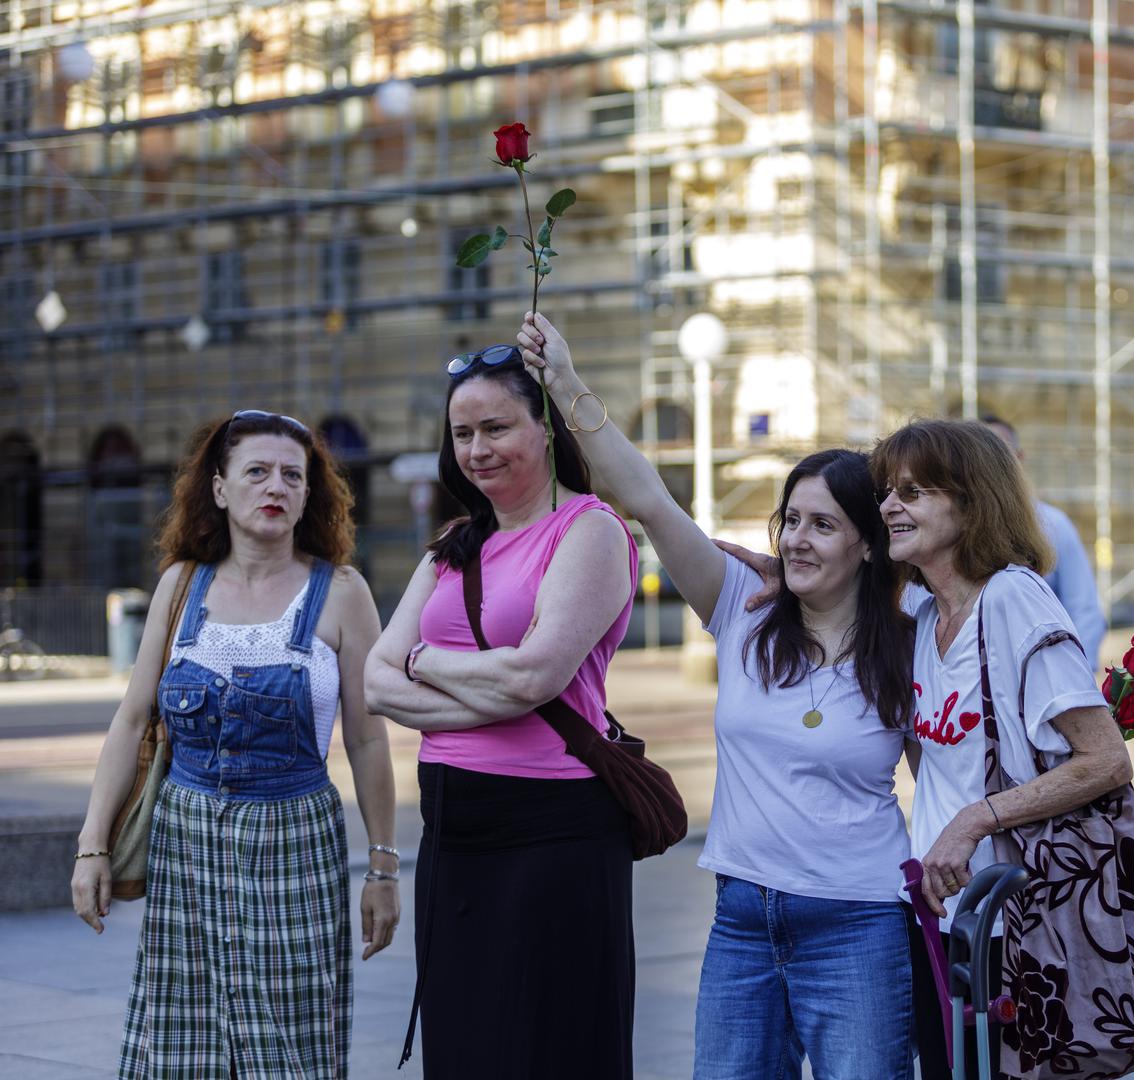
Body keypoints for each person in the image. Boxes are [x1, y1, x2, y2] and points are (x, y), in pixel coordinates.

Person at [514, 312, 917, 1079]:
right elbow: (649, 499)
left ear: (867, 542)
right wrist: (564, 382)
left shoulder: (909, 643)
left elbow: (943, 783)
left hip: (860, 924)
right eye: (790, 519)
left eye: (823, 525)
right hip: (743, 918)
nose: (797, 538)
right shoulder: (740, 607)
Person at [71, 410, 400, 1079]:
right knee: (182, 1046)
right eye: (256, 471)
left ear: (309, 494)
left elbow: (367, 740)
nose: (274, 486)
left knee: (290, 1045)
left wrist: (384, 870)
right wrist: (92, 846)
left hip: (294, 843)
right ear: (219, 488)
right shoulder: (180, 586)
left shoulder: (341, 593)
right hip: (186, 843)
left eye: (292, 475)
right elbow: (132, 721)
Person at [363, 342, 639, 1077]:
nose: (478, 450)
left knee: (554, 1043)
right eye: (463, 434)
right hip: (454, 826)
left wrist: (426, 664)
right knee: (465, 1046)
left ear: (546, 428)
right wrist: (490, 691)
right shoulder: (454, 544)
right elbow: (373, 683)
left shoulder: (590, 530)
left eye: (497, 428)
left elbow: (534, 677)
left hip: (556, 828)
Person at [876, 418, 1134, 1079]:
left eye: (914, 491)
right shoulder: (925, 618)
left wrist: (977, 818)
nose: (892, 505)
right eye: (888, 491)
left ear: (972, 500)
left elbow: (1104, 758)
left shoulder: (1014, 600)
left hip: (1017, 927)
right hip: (946, 918)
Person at [980, 414, 1106, 666]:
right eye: (981, 454)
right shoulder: (952, 528)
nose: (990, 463)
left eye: (1000, 452)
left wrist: (1075, 676)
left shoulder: (1054, 525)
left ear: (1019, 458)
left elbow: (1084, 609)